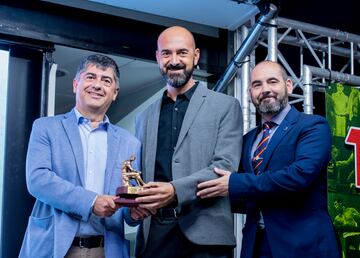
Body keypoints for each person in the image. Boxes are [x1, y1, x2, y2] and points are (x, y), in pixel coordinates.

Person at [197, 60, 341, 258]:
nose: (265, 89)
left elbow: (299, 176)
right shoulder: (247, 140)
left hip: (305, 246)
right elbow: (240, 192)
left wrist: (234, 183)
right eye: (257, 85)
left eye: (272, 82)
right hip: (256, 246)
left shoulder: (313, 126)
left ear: (288, 85)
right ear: (250, 94)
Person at [19, 54, 152, 258]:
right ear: (75, 85)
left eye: (106, 80)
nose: (97, 85)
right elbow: (37, 180)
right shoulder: (45, 127)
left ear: (115, 93)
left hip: (108, 249)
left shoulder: (130, 143)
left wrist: (133, 214)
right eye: (90, 77)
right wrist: (91, 201)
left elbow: (126, 202)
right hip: (54, 247)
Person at [134, 26, 243, 258]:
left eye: (182, 53)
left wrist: (174, 190)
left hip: (205, 239)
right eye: (166, 54)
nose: (174, 61)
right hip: (154, 236)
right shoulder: (143, 117)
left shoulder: (225, 106)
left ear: (196, 56)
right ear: (157, 58)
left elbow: (224, 168)